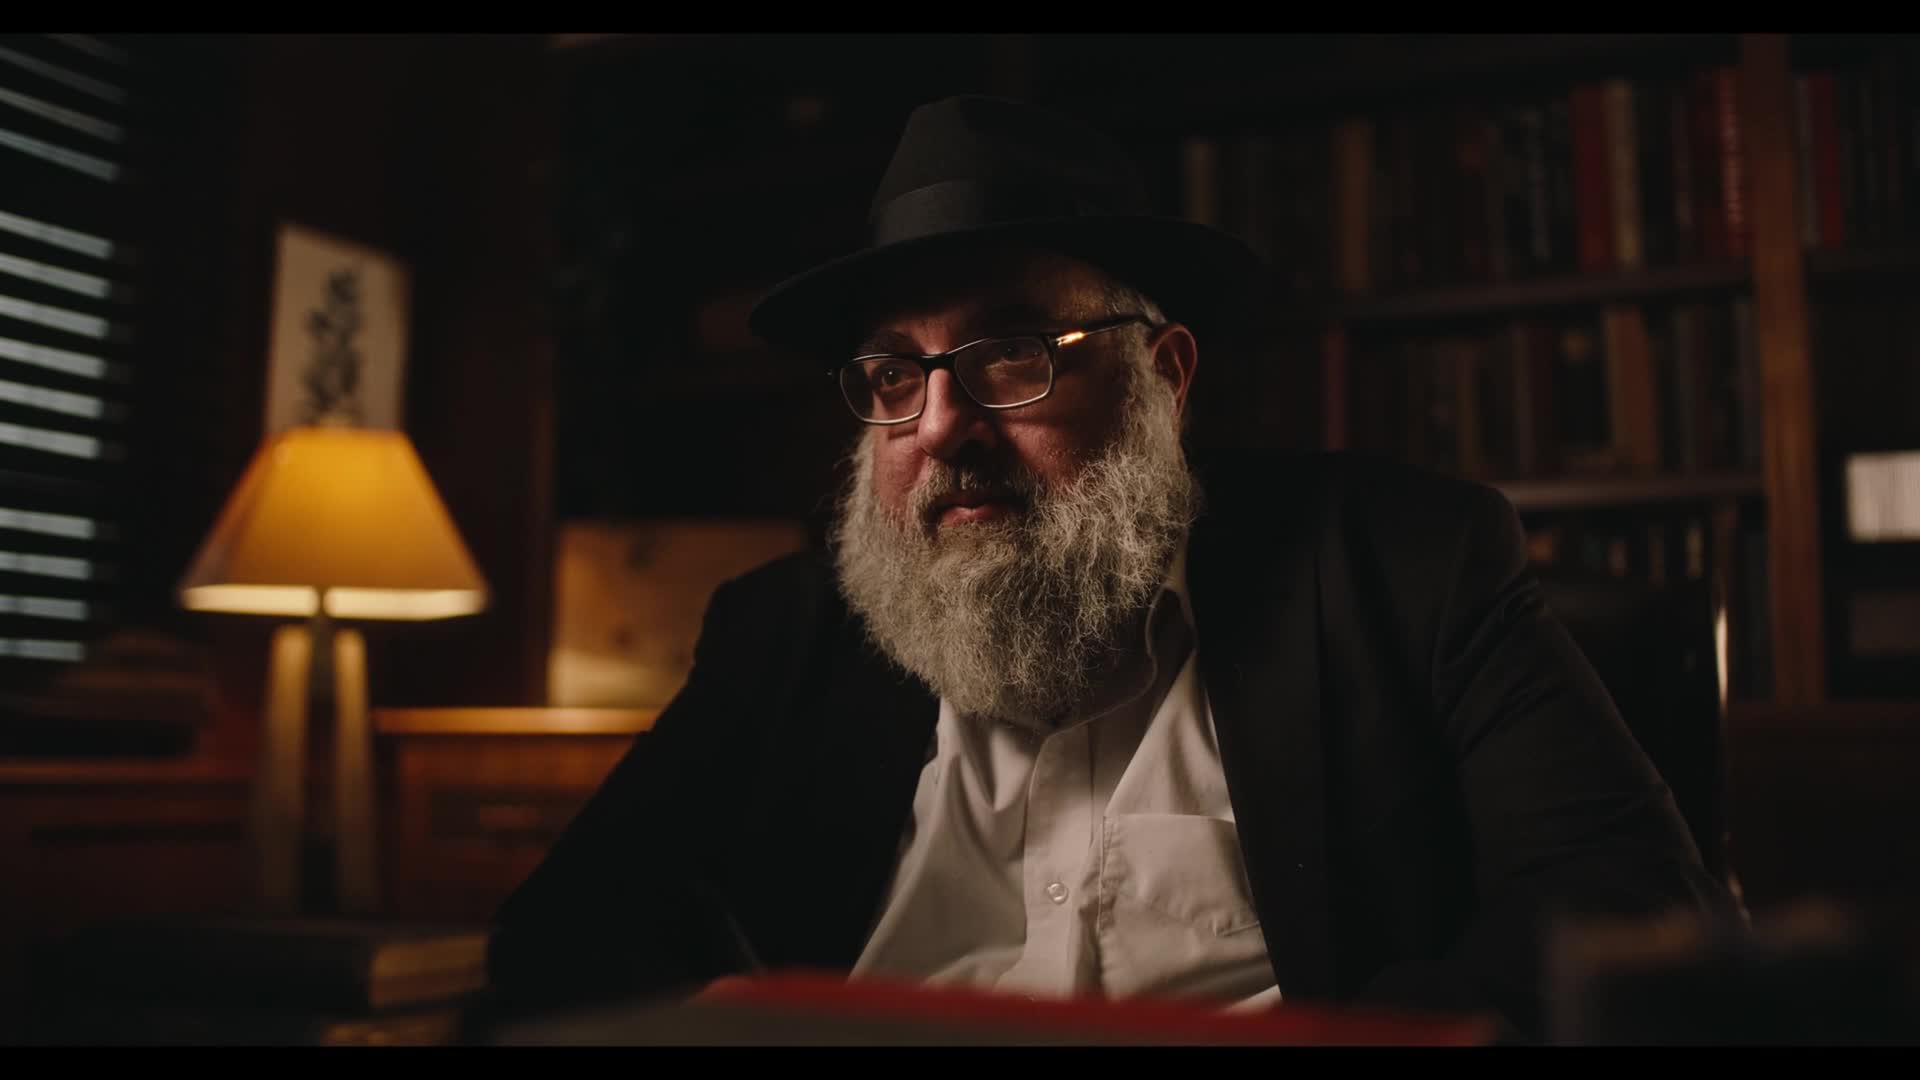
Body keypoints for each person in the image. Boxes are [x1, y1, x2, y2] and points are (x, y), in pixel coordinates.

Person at [487, 95, 1739, 1039]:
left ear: (1164, 378)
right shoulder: (782, 634)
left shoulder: (1405, 569)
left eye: (1012, 354)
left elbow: (1629, 906)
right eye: (894, 374)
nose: (941, 426)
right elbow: (559, 943)